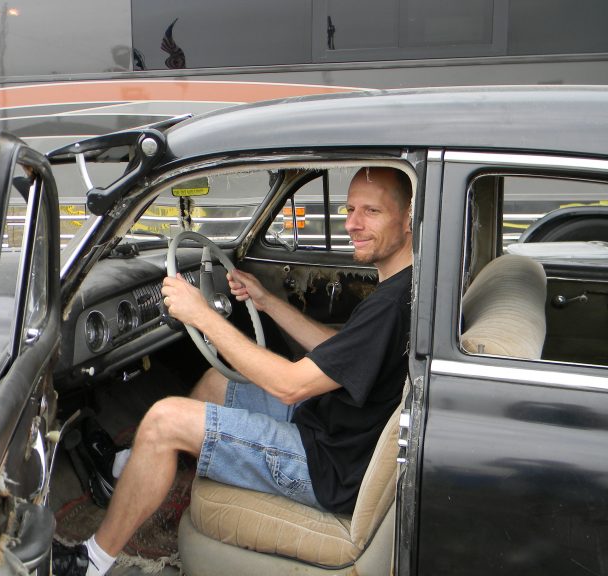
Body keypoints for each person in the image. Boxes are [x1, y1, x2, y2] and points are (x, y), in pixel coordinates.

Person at [57, 166, 413, 576]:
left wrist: (202, 316)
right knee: (217, 381)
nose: (353, 224)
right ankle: (127, 471)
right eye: (350, 209)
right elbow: (336, 351)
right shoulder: (401, 290)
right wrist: (264, 300)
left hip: (325, 468)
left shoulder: (389, 307)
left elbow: (290, 386)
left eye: (372, 212)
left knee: (162, 421)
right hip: (336, 436)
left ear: (407, 219)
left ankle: (91, 562)